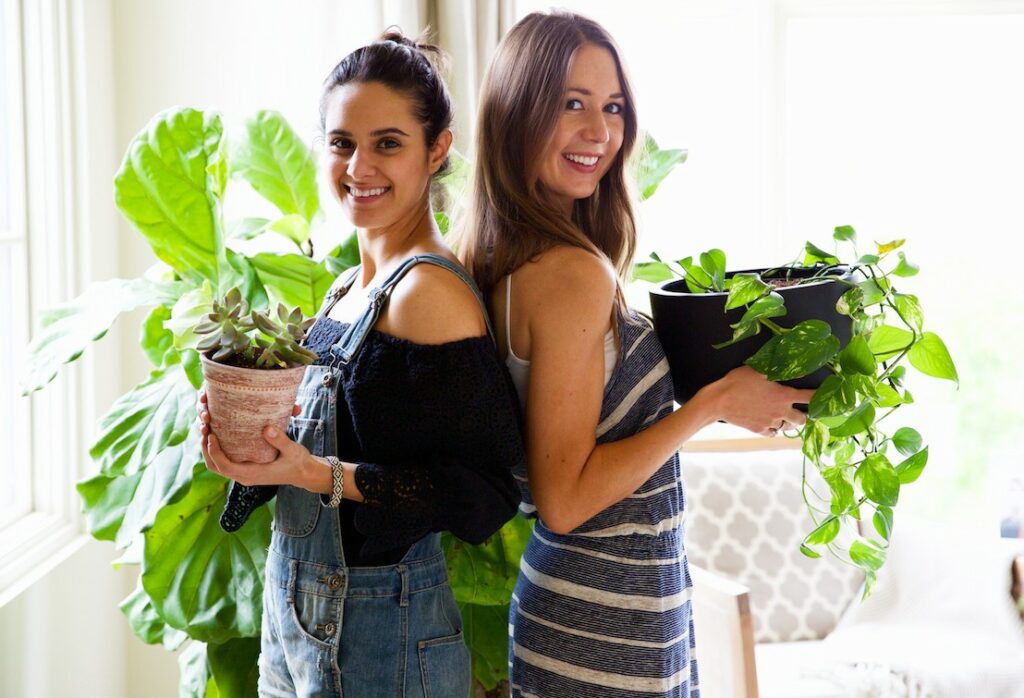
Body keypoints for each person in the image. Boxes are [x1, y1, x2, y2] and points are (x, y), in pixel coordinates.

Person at [461, 11, 815, 697]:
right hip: (604, 615)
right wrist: (713, 404)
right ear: (517, 113)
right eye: (572, 104)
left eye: (613, 107)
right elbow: (564, 498)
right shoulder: (570, 273)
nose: (600, 132)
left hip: (593, 608)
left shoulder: (504, 257)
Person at [198, 31, 523, 698]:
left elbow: (483, 492)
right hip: (294, 617)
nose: (358, 166)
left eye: (387, 143)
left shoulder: (428, 294)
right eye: (342, 142)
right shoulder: (348, 289)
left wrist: (313, 472)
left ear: (438, 150)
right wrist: (255, 450)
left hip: (381, 632)